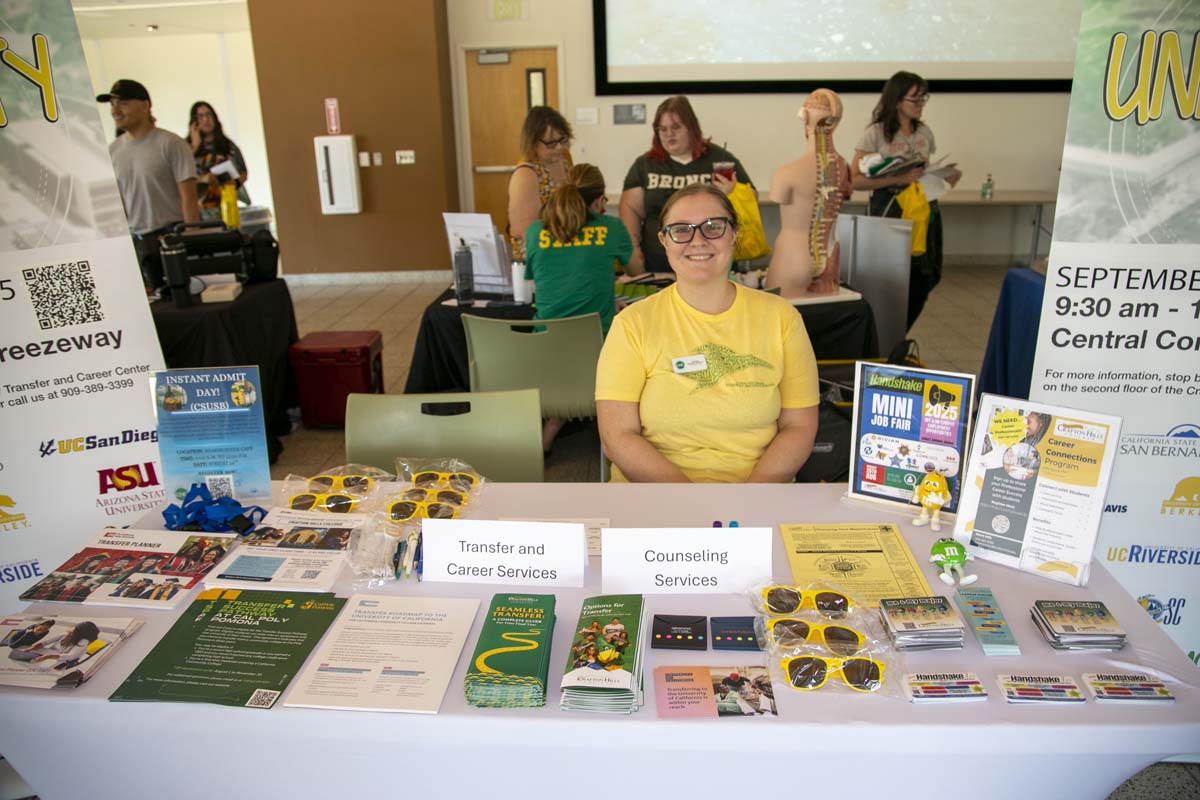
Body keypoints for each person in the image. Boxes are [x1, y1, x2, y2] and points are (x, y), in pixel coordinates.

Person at [596, 184, 820, 483]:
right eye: (681, 230)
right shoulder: (632, 324)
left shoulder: (782, 318)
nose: (697, 240)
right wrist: (694, 505)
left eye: (713, 227)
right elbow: (617, 436)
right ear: (664, 240)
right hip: (654, 500)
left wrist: (747, 502)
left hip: (756, 500)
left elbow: (800, 427)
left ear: (734, 233)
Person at [524, 163, 633, 451]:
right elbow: (636, 268)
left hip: (547, 349)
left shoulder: (536, 231)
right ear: (598, 200)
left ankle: (552, 425)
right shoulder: (610, 228)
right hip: (598, 349)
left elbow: (544, 282)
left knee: (570, 340)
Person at [849, 71, 961, 328]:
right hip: (889, 210)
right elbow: (854, 180)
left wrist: (944, 179)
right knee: (890, 279)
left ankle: (899, 332)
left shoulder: (925, 133)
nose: (921, 104)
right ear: (897, 100)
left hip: (922, 209)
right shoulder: (876, 133)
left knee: (925, 276)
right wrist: (897, 180)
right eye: (915, 99)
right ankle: (885, 336)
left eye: (924, 98)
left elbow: (922, 174)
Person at [619, 96, 751, 275]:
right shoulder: (646, 164)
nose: (669, 134)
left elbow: (751, 198)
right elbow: (630, 208)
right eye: (662, 129)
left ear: (691, 128)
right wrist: (634, 252)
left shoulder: (719, 158)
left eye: (676, 127)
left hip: (710, 257)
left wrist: (731, 194)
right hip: (659, 261)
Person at [97, 79, 199, 291]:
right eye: (112, 105)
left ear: (145, 106)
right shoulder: (113, 151)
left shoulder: (171, 144)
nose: (115, 110)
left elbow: (188, 197)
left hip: (172, 238)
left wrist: (191, 240)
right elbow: (118, 205)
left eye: (123, 103)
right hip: (138, 242)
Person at [508, 106, 573, 263]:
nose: (559, 147)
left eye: (563, 140)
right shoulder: (525, 174)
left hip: (563, 246)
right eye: (551, 143)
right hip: (538, 256)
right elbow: (525, 231)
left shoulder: (564, 159)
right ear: (533, 142)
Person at [188, 101, 248, 219]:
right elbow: (181, 176)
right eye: (201, 116)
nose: (206, 119)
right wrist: (195, 146)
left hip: (225, 205)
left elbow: (243, 172)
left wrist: (234, 183)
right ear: (194, 122)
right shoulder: (186, 147)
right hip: (198, 210)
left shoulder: (228, 145)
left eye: (209, 115)